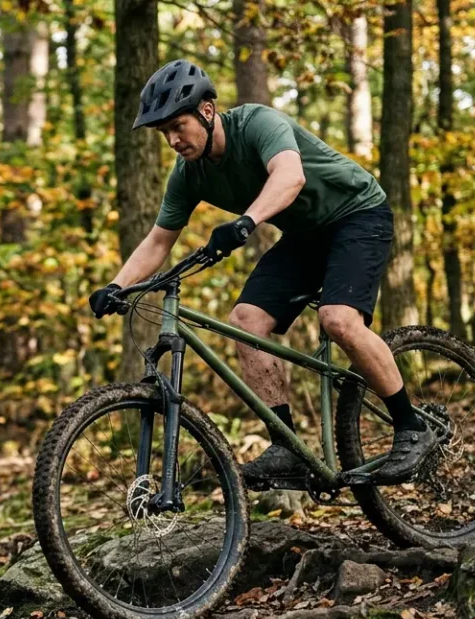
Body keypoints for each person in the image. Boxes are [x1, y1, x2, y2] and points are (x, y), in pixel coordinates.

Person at [88, 59, 435, 488]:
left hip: (358, 214)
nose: (174, 140)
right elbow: (159, 240)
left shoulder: (256, 123)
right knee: (246, 321)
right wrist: (117, 285)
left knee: (339, 320)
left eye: (178, 126)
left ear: (207, 111)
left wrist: (246, 222)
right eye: (164, 133)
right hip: (306, 235)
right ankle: (286, 447)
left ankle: (412, 427)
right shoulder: (189, 175)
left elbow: (290, 176)